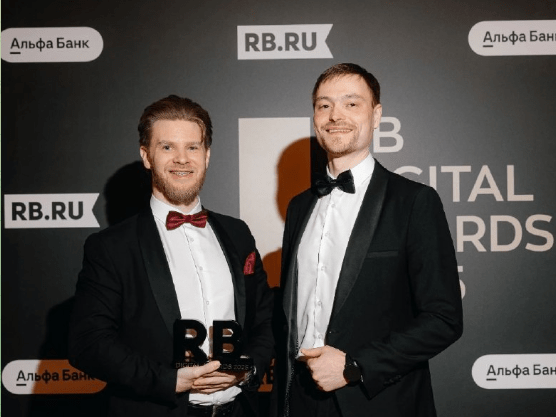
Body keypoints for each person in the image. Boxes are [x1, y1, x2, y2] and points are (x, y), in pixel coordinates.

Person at [273, 63, 463, 417]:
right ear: (314, 117)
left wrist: (354, 366)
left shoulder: (414, 202)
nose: (335, 115)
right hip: (299, 401)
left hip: (376, 400)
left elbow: (444, 319)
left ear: (376, 116)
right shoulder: (300, 206)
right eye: (324, 105)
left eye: (351, 103)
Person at [69, 95, 274, 417]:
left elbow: (266, 319)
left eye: (192, 147)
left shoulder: (238, 233)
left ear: (206, 155)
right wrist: (170, 381)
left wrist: (247, 368)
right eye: (167, 147)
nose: (182, 159)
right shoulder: (111, 246)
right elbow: (88, 343)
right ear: (146, 156)